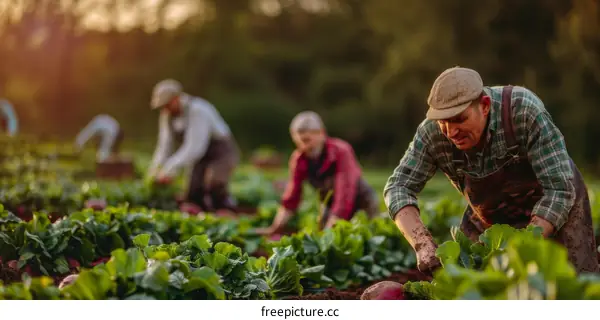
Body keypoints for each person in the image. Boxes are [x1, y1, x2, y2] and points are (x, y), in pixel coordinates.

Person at [377, 67, 598, 278]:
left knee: (575, 285)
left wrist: (525, 245)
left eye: (459, 119)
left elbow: (559, 189)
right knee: (476, 291)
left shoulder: (523, 111)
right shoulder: (431, 134)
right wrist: (422, 243)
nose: (451, 131)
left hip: (558, 207)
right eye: (443, 122)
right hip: (492, 222)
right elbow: (399, 187)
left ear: (484, 105)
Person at [255, 111, 380, 235]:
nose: (305, 144)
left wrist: (328, 232)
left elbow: (345, 194)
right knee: (325, 235)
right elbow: (292, 197)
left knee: (364, 236)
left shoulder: (341, 151)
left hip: (361, 202)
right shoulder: (299, 159)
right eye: (301, 139)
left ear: (322, 134)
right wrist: (275, 228)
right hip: (329, 203)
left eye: (309, 138)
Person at [147, 79, 240, 213]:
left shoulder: (197, 110)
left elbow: (195, 147)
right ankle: (204, 221)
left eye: (167, 104)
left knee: (214, 184)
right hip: (199, 153)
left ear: (177, 98)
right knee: (193, 191)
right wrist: (155, 169)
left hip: (220, 151)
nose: (165, 109)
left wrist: (169, 168)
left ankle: (228, 214)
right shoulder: (167, 116)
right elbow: (164, 145)